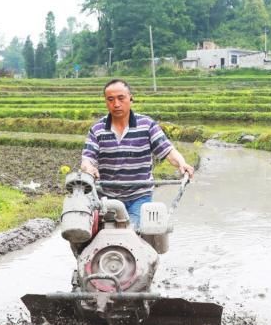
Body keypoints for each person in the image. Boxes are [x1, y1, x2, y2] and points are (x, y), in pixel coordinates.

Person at [80, 78, 194, 229]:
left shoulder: (147, 125)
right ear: (106, 102)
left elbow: (168, 151)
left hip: (139, 196)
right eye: (111, 99)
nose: (116, 104)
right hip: (107, 197)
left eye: (121, 98)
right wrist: (88, 167)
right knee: (102, 236)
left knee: (133, 233)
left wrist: (182, 164)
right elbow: (87, 159)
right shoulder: (98, 129)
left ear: (130, 98)